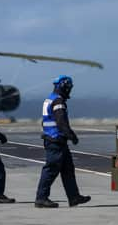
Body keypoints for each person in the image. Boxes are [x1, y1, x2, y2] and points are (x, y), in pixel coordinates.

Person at [35, 75, 91, 208]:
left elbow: (45, 121)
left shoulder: (50, 99)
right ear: (63, 87)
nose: (69, 90)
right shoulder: (58, 102)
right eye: (68, 88)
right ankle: (41, 198)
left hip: (55, 140)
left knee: (68, 169)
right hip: (56, 141)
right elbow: (61, 121)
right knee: (51, 170)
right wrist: (71, 135)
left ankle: (74, 197)